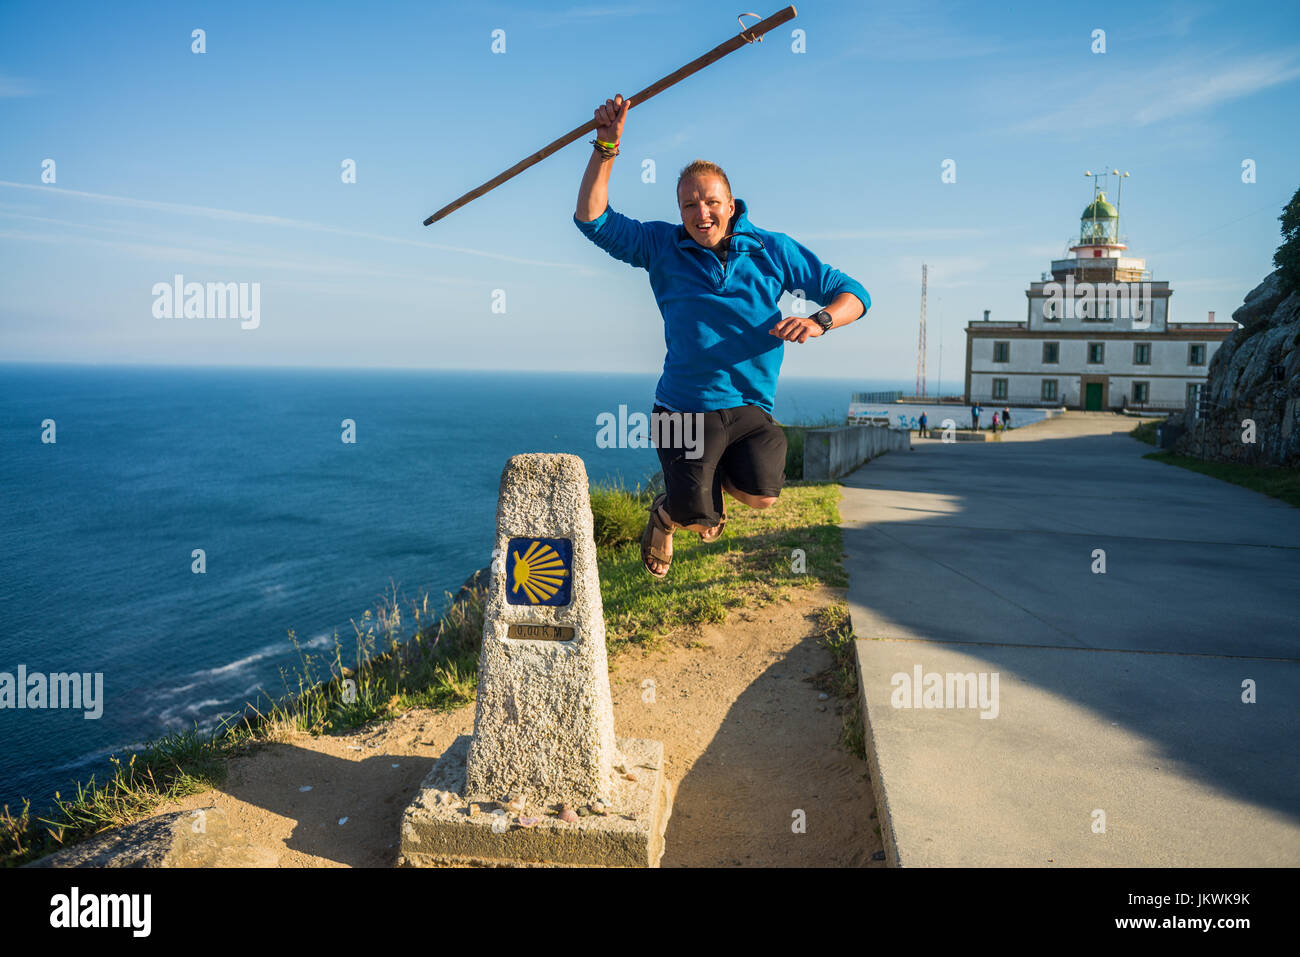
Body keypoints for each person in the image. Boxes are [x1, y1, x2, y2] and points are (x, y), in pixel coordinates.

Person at [573, 94, 870, 578]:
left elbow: (853, 292)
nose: (701, 213)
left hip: (750, 407)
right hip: (681, 409)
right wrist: (606, 147)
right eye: (689, 204)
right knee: (698, 521)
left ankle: (698, 492)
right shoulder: (661, 245)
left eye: (711, 201)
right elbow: (593, 220)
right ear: (679, 210)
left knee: (764, 497)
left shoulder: (771, 250)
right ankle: (672, 512)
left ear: (731, 205)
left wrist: (821, 320)